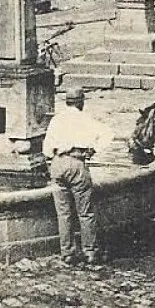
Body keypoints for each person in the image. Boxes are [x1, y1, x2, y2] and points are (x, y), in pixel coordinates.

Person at [42, 86, 112, 264]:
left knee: (63, 213)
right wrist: (93, 149)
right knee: (85, 212)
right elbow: (108, 134)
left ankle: (67, 252)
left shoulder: (57, 120)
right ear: (81, 102)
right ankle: (90, 251)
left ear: (67, 102)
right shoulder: (86, 119)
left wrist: (54, 160)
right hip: (77, 162)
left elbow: (46, 149)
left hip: (58, 163)